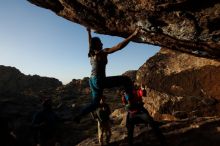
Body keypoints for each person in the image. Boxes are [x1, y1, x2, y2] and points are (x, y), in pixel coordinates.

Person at [74, 28, 140, 123]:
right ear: (97, 44)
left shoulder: (91, 53)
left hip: (92, 81)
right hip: (99, 80)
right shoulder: (102, 52)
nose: (102, 44)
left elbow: (90, 43)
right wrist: (133, 35)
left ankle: (80, 115)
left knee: (95, 103)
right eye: (100, 42)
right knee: (126, 79)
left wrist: (88, 32)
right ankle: (131, 104)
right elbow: (118, 47)